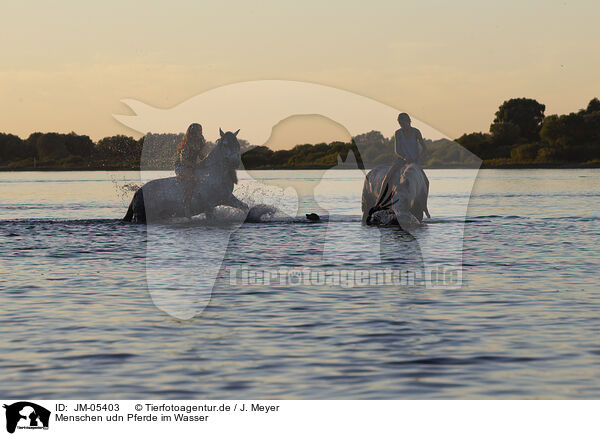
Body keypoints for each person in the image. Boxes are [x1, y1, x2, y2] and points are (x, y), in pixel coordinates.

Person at [373, 113, 429, 213]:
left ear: (408, 121)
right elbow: (397, 151)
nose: (401, 125)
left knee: (426, 181)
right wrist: (404, 157)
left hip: (414, 162)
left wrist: (417, 157)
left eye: (403, 122)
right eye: (400, 123)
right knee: (387, 177)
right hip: (401, 161)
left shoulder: (416, 132)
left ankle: (424, 206)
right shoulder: (398, 133)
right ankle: (379, 201)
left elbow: (424, 148)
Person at [174, 123, 206, 218]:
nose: (200, 133)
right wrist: (195, 166)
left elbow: (201, 156)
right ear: (193, 132)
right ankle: (187, 206)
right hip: (181, 167)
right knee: (192, 179)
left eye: (201, 131)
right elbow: (183, 160)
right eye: (198, 131)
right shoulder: (186, 144)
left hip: (192, 167)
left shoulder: (200, 143)